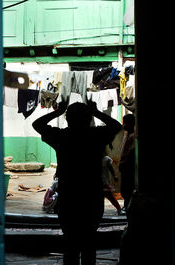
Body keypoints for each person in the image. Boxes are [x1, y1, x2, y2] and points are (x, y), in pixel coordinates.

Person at [32, 100, 121, 265]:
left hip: (68, 198)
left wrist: (58, 111)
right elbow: (116, 126)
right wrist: (96, 112)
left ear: (67, 119)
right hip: (92, 197)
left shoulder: (62, 136)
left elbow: (37, 124)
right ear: (89, 119)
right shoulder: (96, 136)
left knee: (70, 245)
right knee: (89, 244)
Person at [119, 114, 136, 212]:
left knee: (128, 187)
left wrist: (125, 162)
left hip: (128, 165)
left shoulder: (133, 136)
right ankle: (126, 205)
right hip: (125, 164)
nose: (123, 125)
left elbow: (131, 151)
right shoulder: (127, 135)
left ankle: (128, 205)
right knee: (125, 187)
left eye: (125, 123)